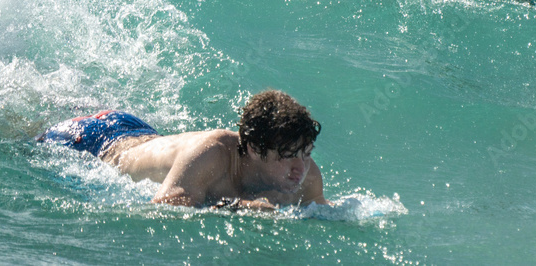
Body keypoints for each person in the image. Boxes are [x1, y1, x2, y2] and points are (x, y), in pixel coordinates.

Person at [38, 90, 327, 211]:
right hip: (95, 141)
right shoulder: (212, 155)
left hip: (144, 133)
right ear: (252, 148)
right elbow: (164, 208)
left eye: (306, 153)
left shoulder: (307, 178)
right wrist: (238, 208)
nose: (300, 169)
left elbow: (325, 215)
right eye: (287, 156)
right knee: (22, 132)